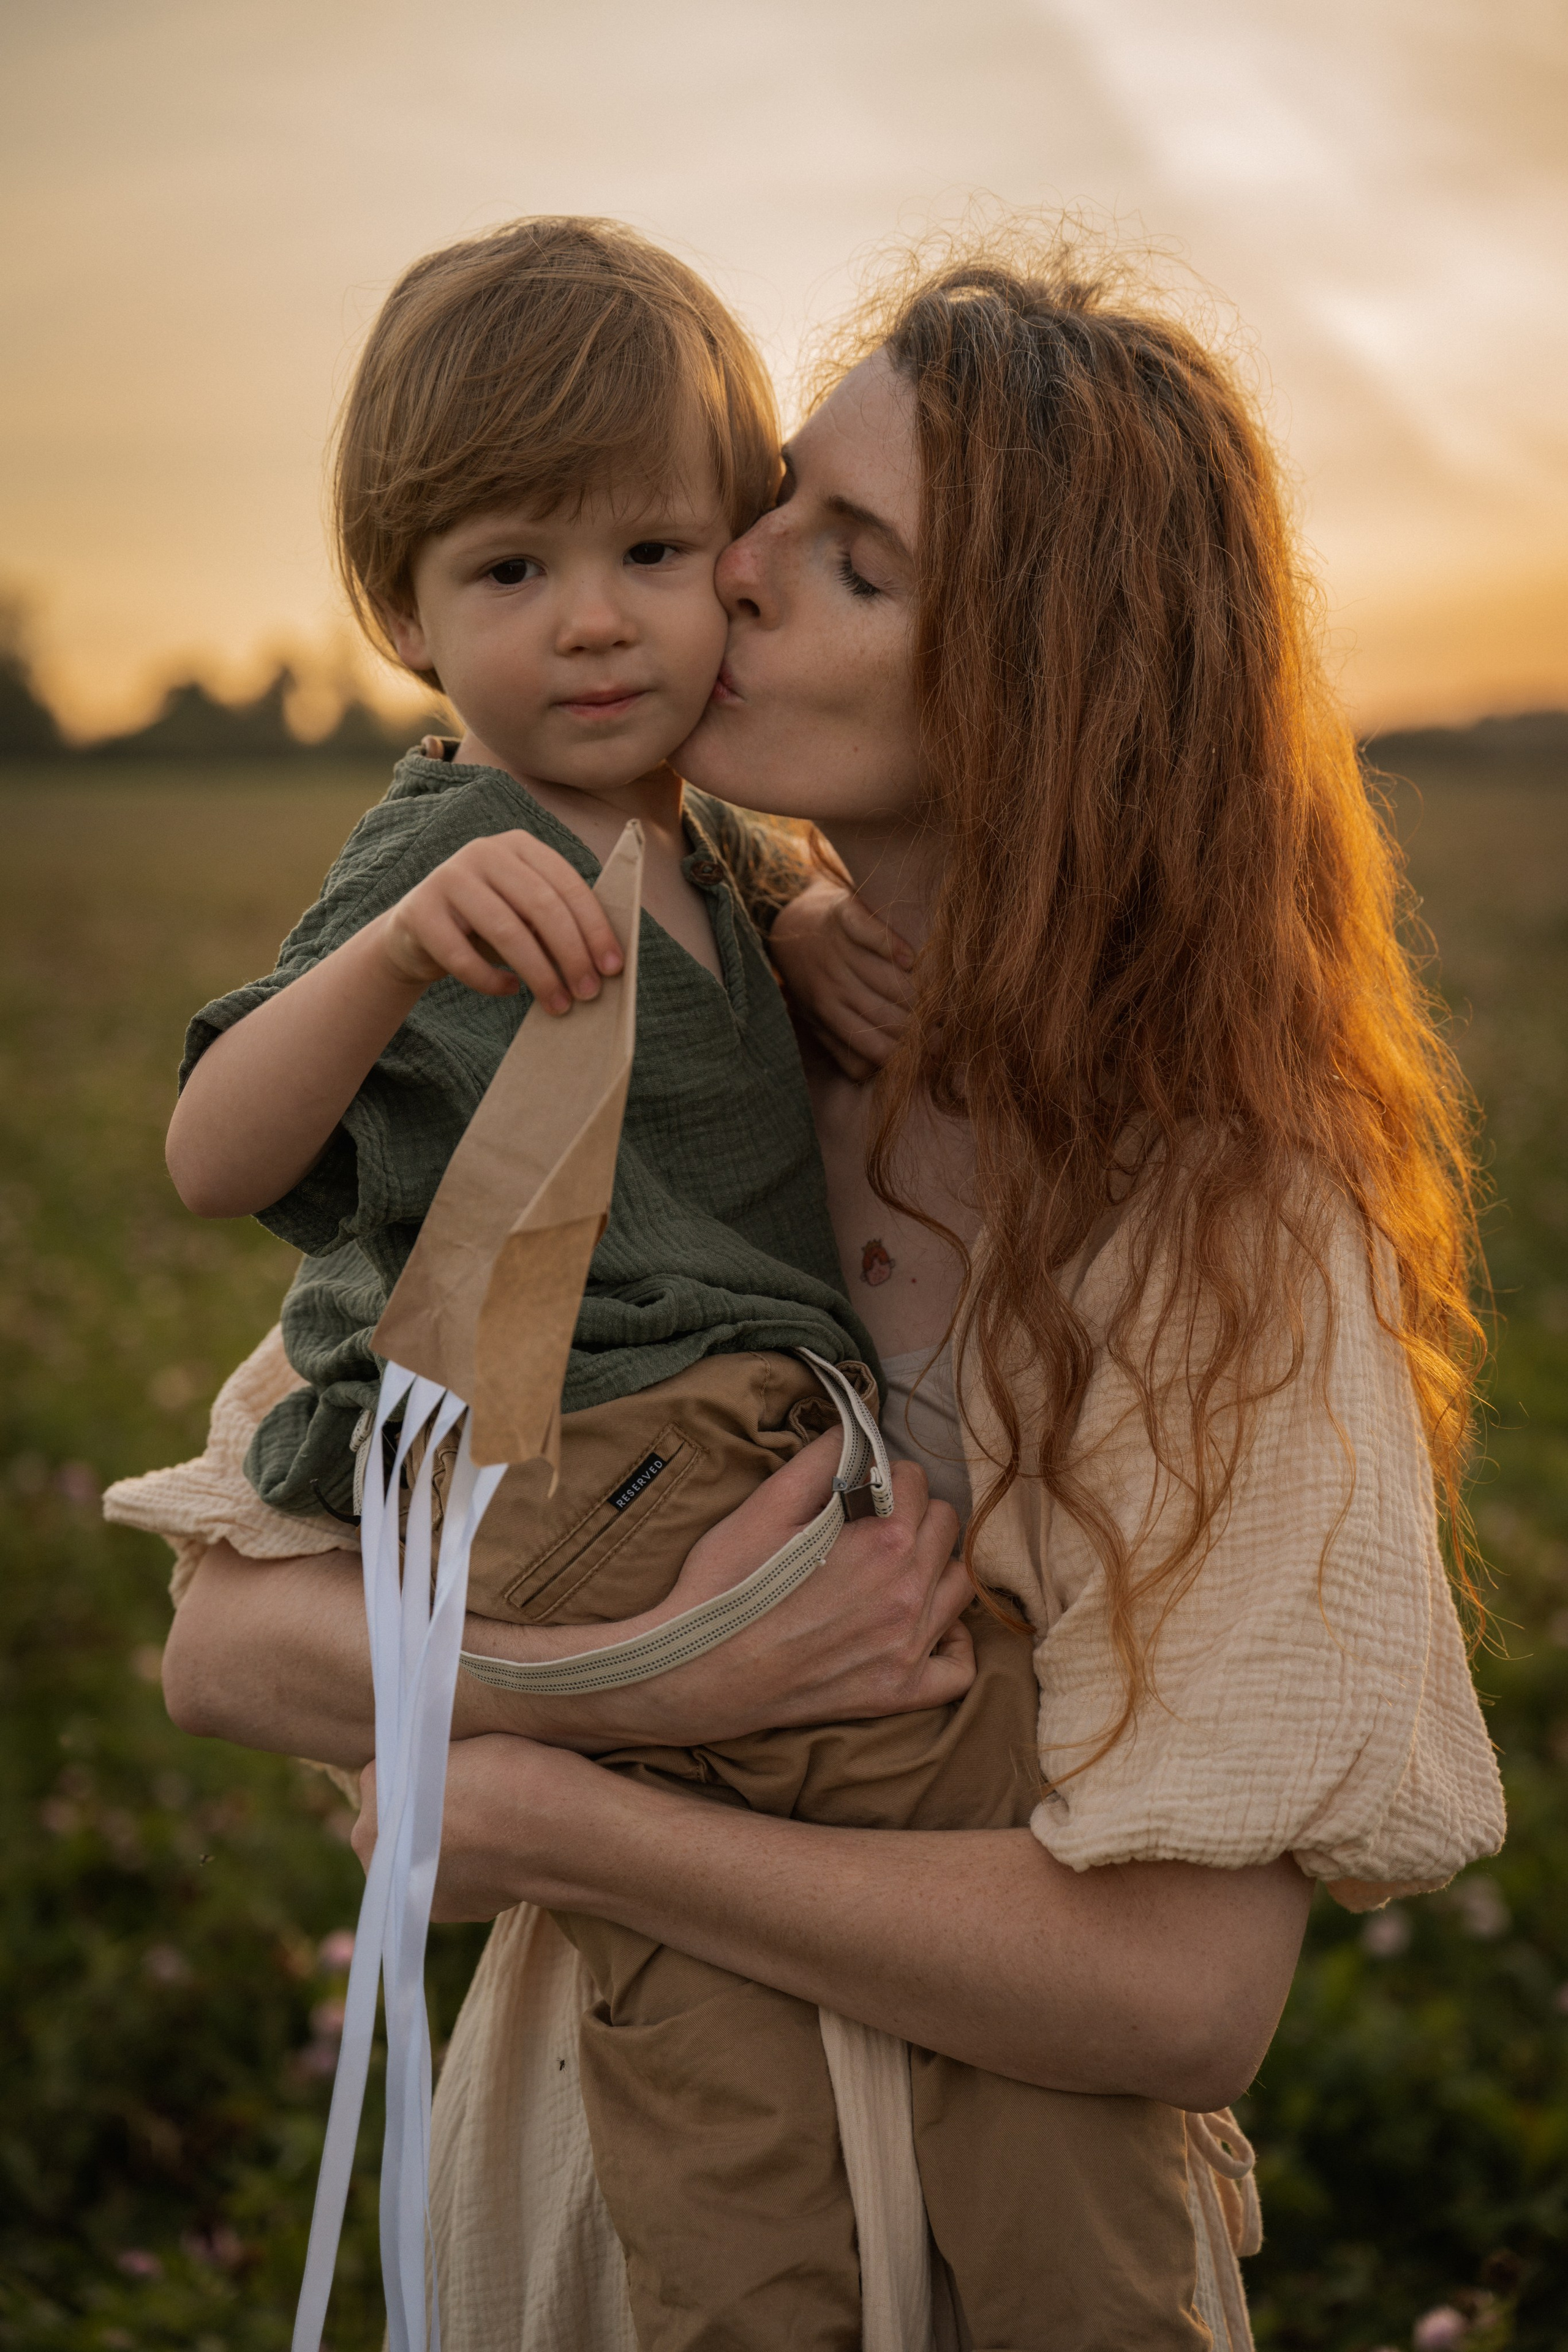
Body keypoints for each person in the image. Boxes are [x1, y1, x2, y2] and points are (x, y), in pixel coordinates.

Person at [151, 228, 1506, 2350]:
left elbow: (1182, 1988)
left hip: (1006, 2252)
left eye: (848, 555)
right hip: (586, 2197)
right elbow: (238, 1644)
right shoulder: (629, 1041)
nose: (736, 576)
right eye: (776, 506)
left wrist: (553, 1807)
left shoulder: (1226, 1215)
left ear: (1041, 684)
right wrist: (664, 1691)